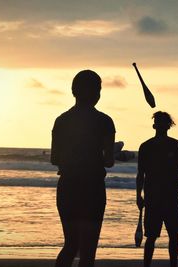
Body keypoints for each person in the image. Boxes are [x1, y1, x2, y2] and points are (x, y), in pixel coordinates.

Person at [51, 70, 115, 267]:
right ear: (96, 93)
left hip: (68, 187)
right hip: (92, 189)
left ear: (73, 91)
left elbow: (55, 159)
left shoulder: (61, 120)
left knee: (71, 245)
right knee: (88, 251)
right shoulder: (104, 121)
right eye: (98, 90)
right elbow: (109, 161)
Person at [136, 111, 178, 267]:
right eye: (160, 123)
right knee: (160, 236)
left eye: (163, 123)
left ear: (166, 126)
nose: (161, 125)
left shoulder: (159, 146)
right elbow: (141, 174)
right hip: (159, 199)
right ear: (157, 126)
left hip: (166, 199)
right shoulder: (149, 147)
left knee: (163, 236)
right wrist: (138, 196)